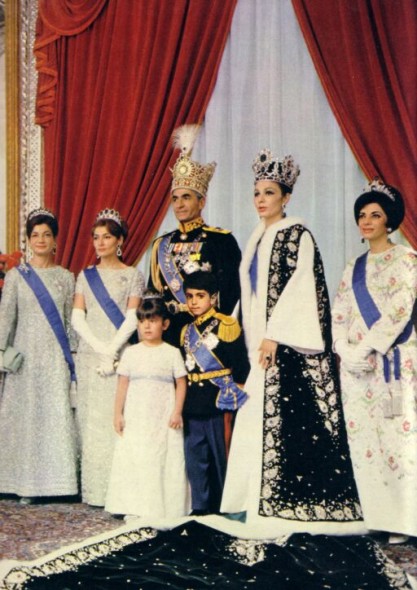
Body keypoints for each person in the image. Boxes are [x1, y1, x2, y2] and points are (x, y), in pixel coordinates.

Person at [221, 150, 363, 536]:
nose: (261, 199)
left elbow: (302, 287)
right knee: (255, 415)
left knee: (281, 419)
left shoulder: (297, 235)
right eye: (257, 193)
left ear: (286, 197)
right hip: (259, 345)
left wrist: (273, 334)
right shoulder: (257, 238)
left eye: (269, 192)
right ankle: (249, 499)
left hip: (283, 347)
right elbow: (252, 292)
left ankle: (282, 503)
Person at [332, 179, 417, 543]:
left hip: (393, 365)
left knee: (398, 440)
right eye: (362, 215)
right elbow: (339, 313)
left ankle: (406, 522)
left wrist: (364, 348)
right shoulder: (353, 266)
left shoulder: (408, 260)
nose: (366, 221)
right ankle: (379, 517)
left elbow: (399, 312)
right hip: (357, 370)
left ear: (390, 220)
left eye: (375, 215)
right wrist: (344, 350)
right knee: (364, 440)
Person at [0, 208, 77, 502]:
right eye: (35, 235)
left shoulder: (66, 277)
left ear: (55, 240)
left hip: (55, 357)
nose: (41, 240)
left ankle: (56, 486)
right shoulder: (16, 276)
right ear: (28, 240)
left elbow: (70, 323)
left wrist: (74, 359)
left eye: (47, 234)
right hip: (24, 358)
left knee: (52, 416)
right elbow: (5, 319)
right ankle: (19, 483)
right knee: (25, 418)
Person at [72, 209, 145, 506]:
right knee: (91, 421)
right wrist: (100, 349)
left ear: (120, 241)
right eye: (96, 237)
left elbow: (132, 317)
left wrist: (112, 349)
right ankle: (93, 491)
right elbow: (77, 318)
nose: (100, 243)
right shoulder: (85, 276)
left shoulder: (132, 275)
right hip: (91, 356)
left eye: (107, 237)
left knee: (117, 418)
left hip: (120, 355)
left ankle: (118, 493)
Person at [149, 124, 242, 346]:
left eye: (186, 197)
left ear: (202, 202)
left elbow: (230, 293)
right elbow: (154, 295)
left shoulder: (221, 241)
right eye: (175, 198)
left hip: (206, 336)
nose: (179, 205)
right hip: (168, 335)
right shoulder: (161, 244)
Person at [105, 293, 189, 520]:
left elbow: (181, 383)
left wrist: (177, 411)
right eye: (142, 321)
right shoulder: (131, 353)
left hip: (163, 415)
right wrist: (117, 414)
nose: (147, 326)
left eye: (152, 321)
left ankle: (163, 507)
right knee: (136, 456)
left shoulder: (172, 352)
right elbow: (122, 385)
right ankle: (134, 506)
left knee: (161, 456)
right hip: (137, 415)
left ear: (165, 324)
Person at [180, 271, 250, 515]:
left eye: (200, 296)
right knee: (195, 456)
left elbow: (240, 365)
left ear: (213, 298)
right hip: (193, 402)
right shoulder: (186, 330)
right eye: (190, 296)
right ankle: (200, 506)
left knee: (221, 456)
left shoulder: (226, 325)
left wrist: (236, 394)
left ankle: (224, 506)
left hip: (218, 399)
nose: (194, 302)